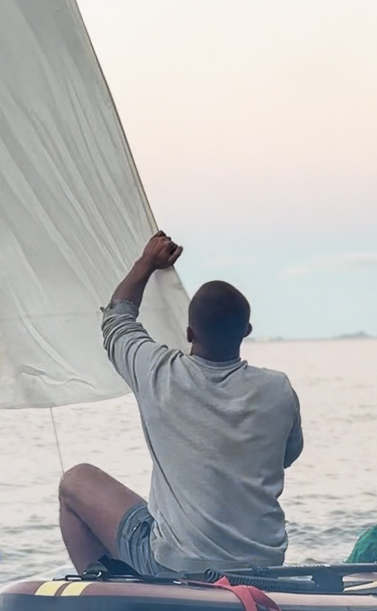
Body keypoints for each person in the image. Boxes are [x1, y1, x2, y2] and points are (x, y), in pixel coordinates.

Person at [58, 231, 304, 576]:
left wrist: (147, 262)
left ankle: (105, 595)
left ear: (189, 333)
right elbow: (287, 456)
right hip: (265, 568)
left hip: (177, 566)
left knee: (74, 482)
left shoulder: (160, 373)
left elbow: (116, 320)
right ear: (246, 330)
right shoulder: (278, 389)